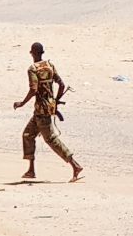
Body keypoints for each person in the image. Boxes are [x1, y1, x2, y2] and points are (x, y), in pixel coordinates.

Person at [13, 42, 83, 182]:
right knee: (28, 135)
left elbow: (33, 89)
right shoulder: (50, 66)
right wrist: (55, 100)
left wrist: (22, 103)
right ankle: (31, 170)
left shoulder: (33, 69)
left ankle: (75, 165)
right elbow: (61, 84)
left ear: (32, 53)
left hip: (41, 110)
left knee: (50, 139)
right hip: (47, 108)